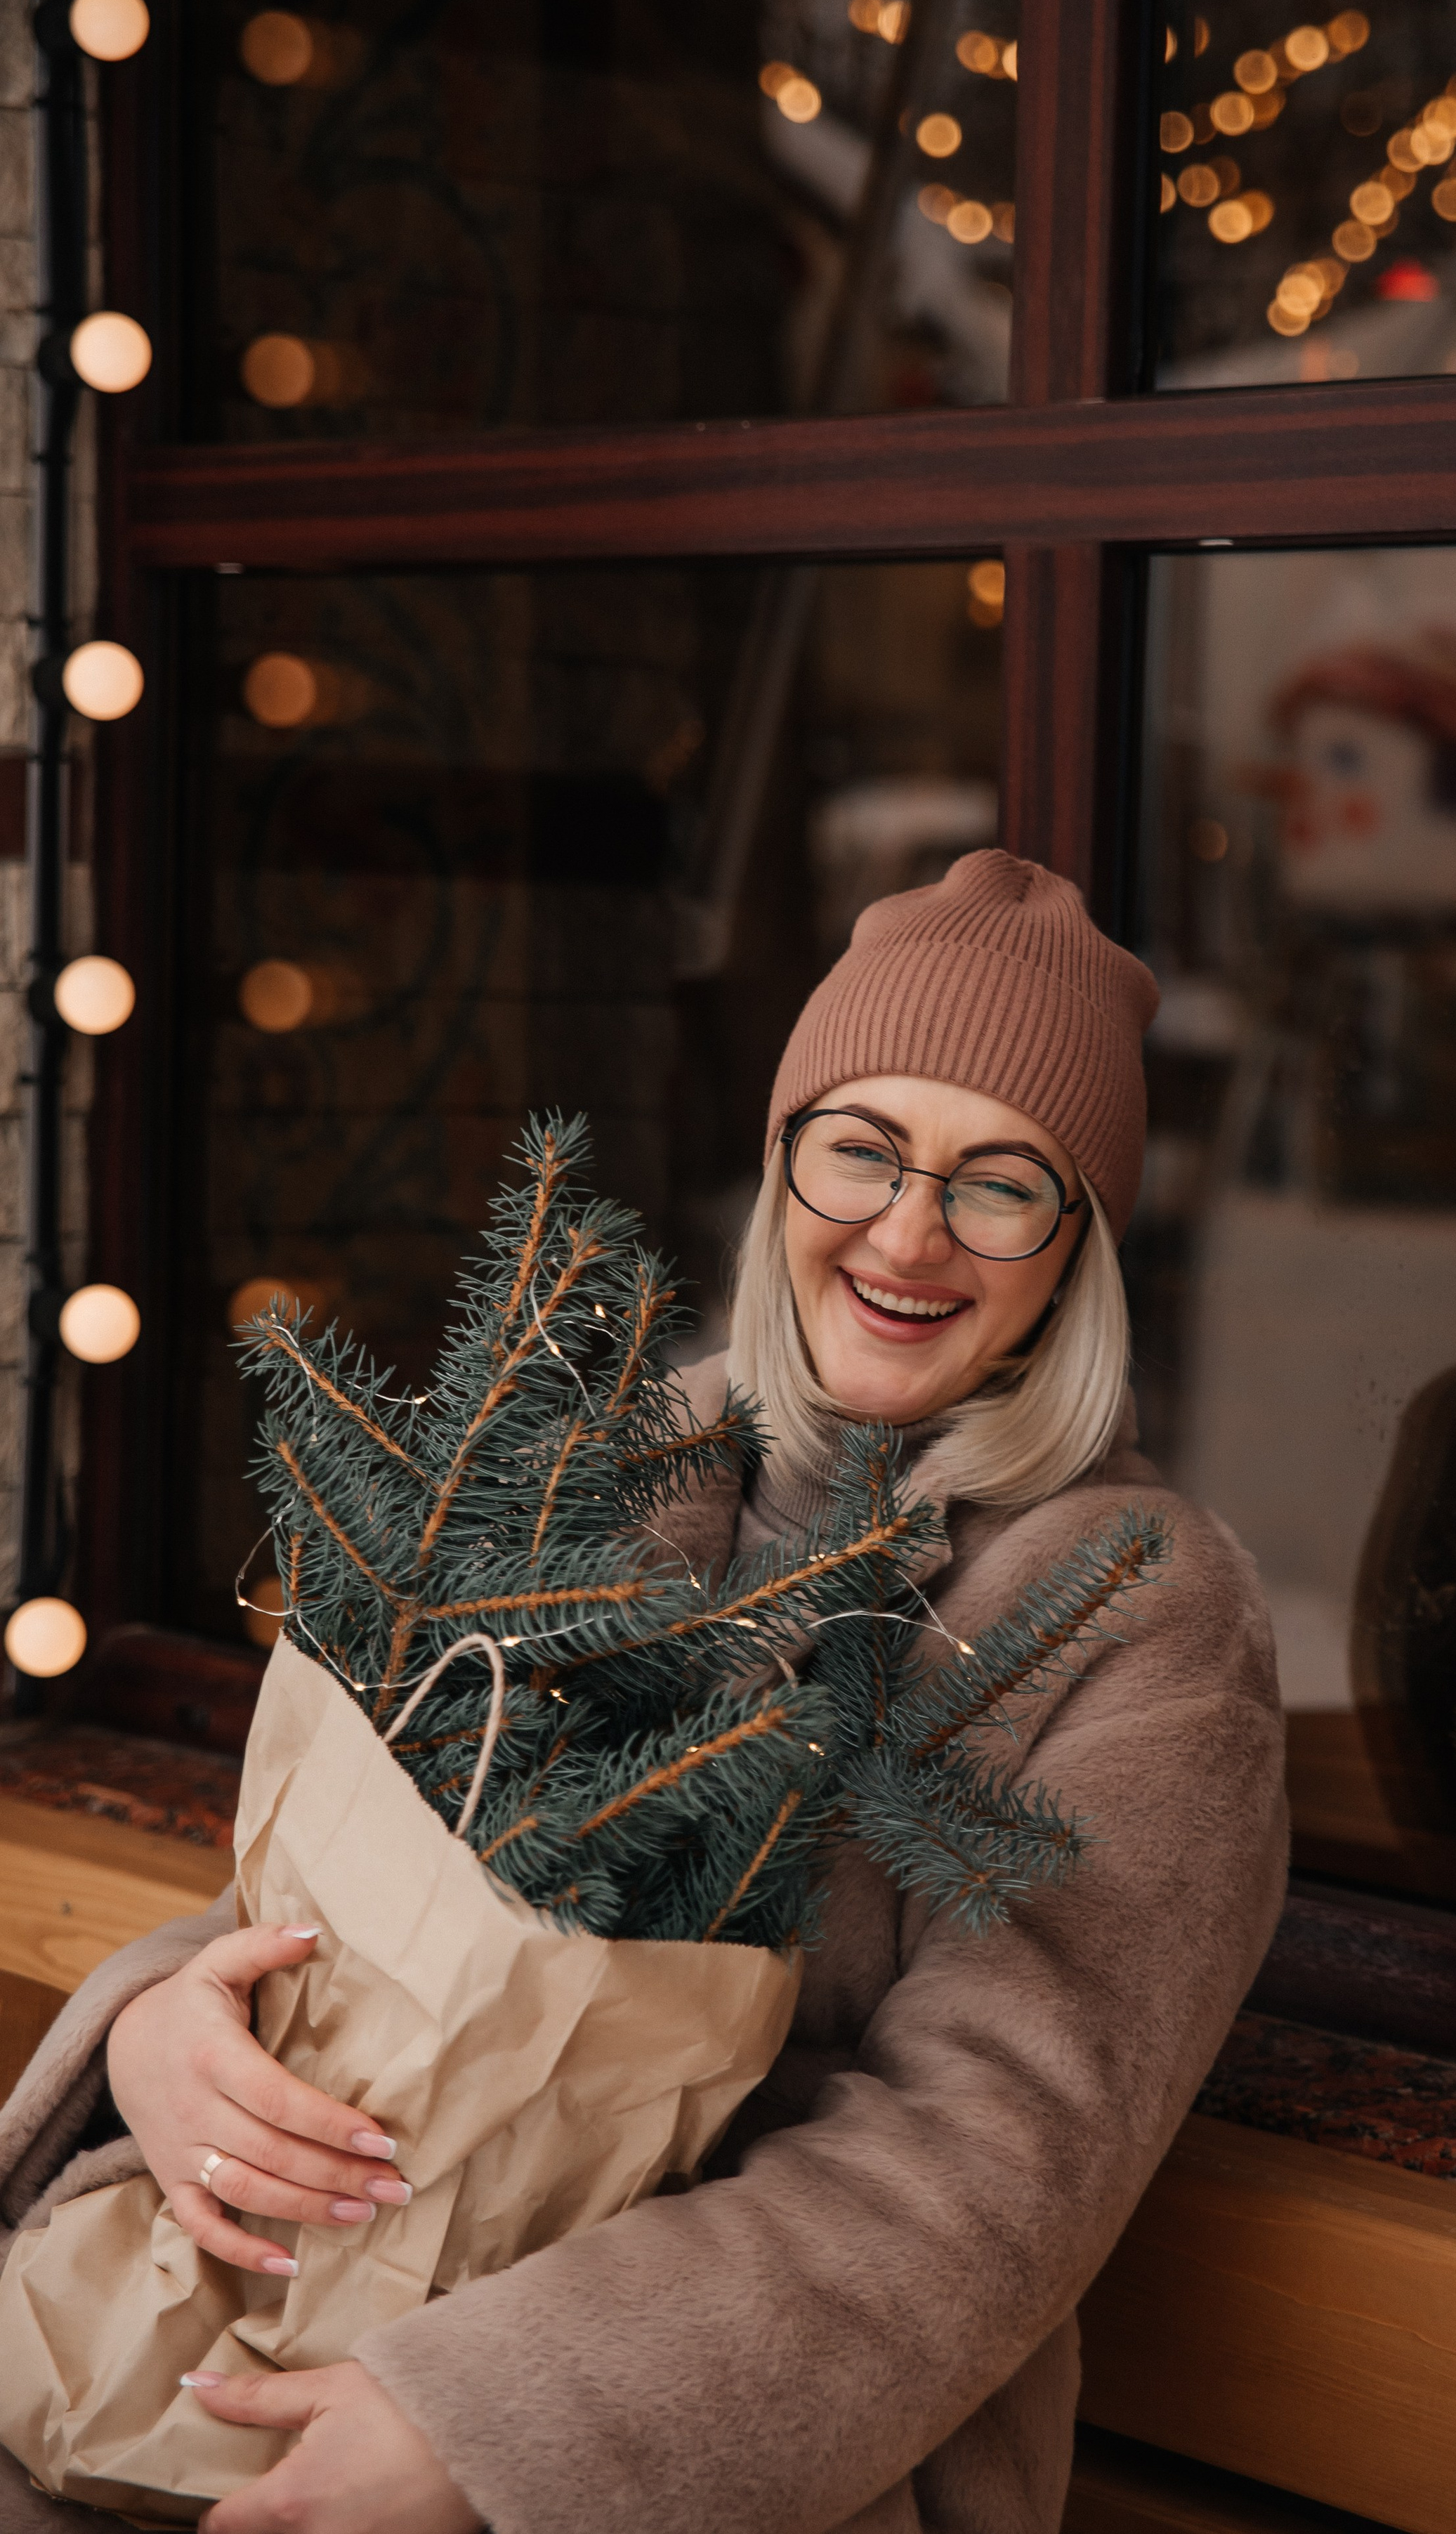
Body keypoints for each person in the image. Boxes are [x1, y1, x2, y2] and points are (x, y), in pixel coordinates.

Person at [0, 851, 1287, 2534]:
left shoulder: (1134, 1611)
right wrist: (166, 2027)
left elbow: (987, 2168)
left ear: (1075, 1248)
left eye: (999, 1183)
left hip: (717, 2452)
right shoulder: (597, 1463)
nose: (906, 1231)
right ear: (782, 1168)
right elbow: (340, 1902)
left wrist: (487, 2428)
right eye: (861, 1150)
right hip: (310, 2295)